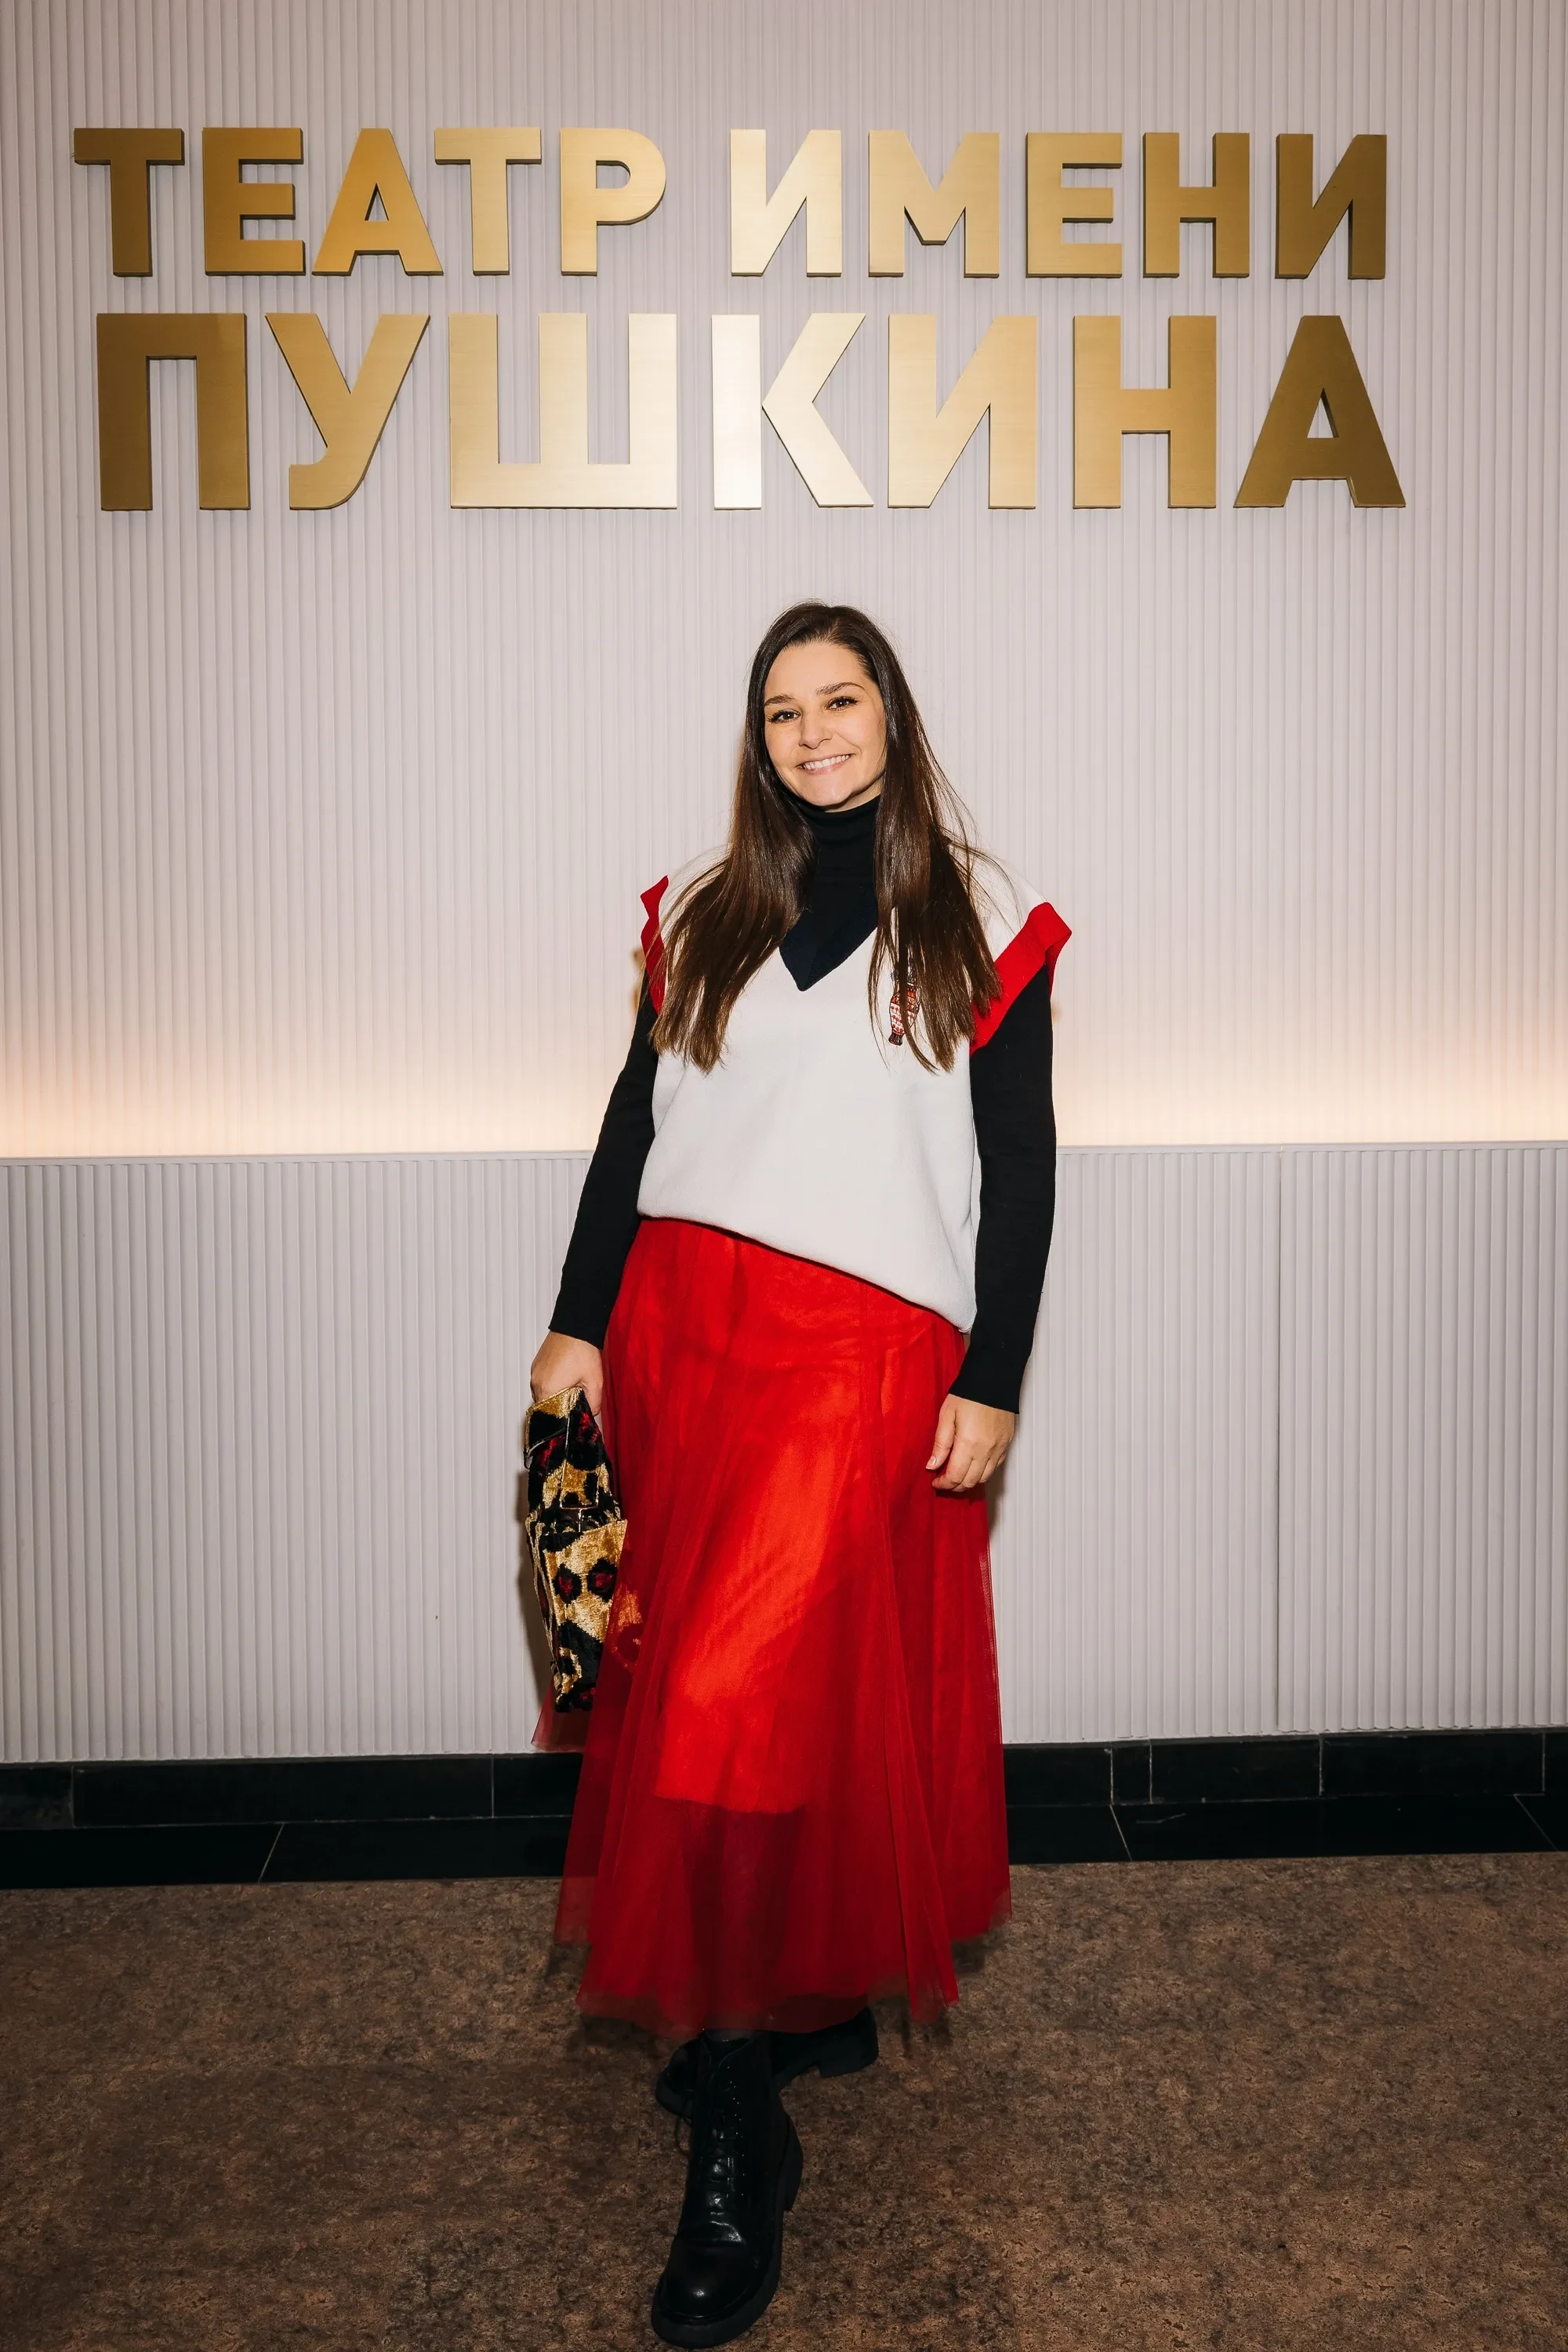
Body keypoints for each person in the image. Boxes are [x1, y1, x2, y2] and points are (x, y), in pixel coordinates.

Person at [529, 601, 1069, 2347]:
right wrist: (576, 1322)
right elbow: (633, 1127)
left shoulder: (979, 917)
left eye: (842, 699)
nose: (814, 730)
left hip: (857, 1355)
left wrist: (995, 1374)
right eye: (783, 709)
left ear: (893, 716)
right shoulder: (706, 912)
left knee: (727, 1706)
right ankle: (776, 2014)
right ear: (757, 738)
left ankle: (735, 2126)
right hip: (683, 1333)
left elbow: (1020, 1168)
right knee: (725, 1695)